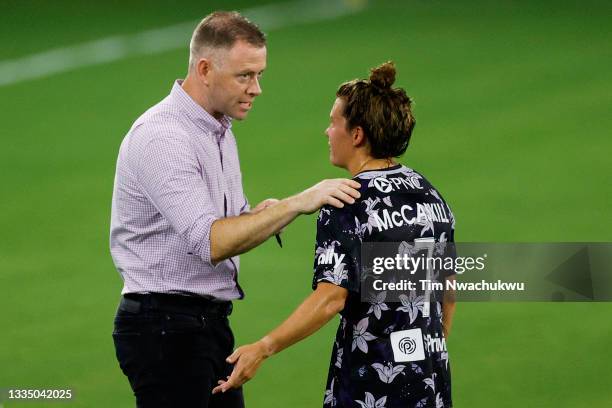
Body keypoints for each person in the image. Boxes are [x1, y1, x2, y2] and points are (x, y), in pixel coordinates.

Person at [109, 11, 361, 408]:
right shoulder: (164, 137)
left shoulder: (219, 131)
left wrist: (269, 213)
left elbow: (231, 225)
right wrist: (299, 202)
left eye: (259, 74)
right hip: (163, 330)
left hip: (204, 326)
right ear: (205, 69)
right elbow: (212, 241)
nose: (256, 88)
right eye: (245, 75)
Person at [213, 62, 456, 408]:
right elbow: (449, 289)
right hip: (431, 382)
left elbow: (331, 299)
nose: (327, 132)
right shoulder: (429, 194)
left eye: (333, 123)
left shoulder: (346, 200)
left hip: (371, 387)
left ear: (357, 135)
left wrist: (264, 347)